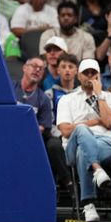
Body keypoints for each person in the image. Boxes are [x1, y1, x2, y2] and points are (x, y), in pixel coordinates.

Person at [56, 58, 111, 222]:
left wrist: (99, 96)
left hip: (104, 143)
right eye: (86, 73)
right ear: (79, 76)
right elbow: (65, 130)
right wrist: (93, 122)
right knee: (81, 130)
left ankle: (88, 205)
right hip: (72, 144)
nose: (90, 76)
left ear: (99, 76)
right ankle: (97, 170)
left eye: (94, 73)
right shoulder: (67, 99)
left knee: (82, 151)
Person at [14, 57, 72, 192]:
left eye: (41, 68)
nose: (37, 70)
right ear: (24, 68)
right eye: (34, 65)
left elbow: (41, 128)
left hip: (31, 142)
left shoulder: (43, 99)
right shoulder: (10, 89)